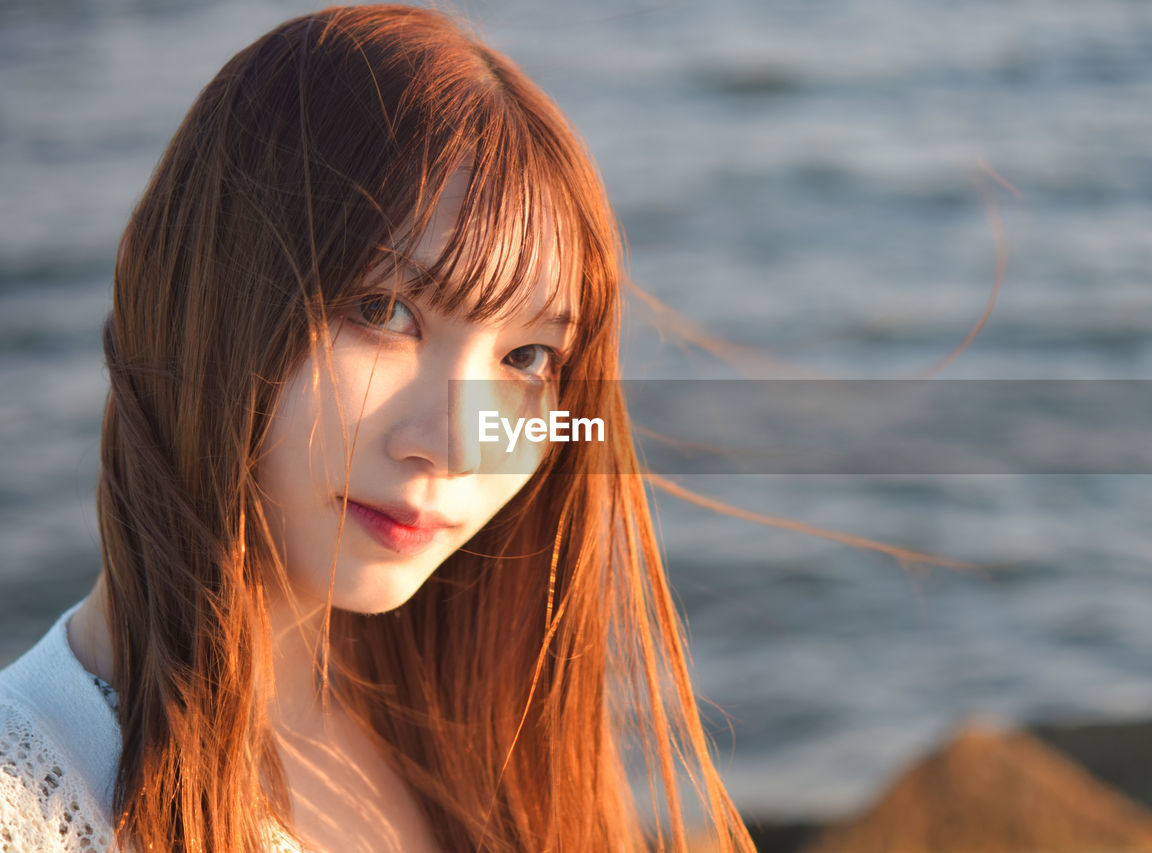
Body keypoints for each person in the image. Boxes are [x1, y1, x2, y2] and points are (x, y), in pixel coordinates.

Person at [0, 6, 757, 851]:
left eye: (529, 357)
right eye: (383, 310)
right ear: (204, 295)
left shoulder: (476, 734)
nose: (460, 445)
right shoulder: (31, 802)